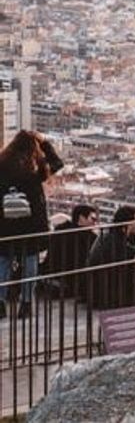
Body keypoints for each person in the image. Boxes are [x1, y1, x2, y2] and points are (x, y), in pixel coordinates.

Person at [0, 130, 65, 319]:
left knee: (3, 261)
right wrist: (44, 143)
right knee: (30, 262)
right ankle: (26, 303)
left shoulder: (1, 168)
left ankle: (1, 301)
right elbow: (57, 163)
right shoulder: (35, 172)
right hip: (32, 225)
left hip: (6, 223)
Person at [86, 205, 135, 309]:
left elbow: (134, 240)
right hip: (112, 295)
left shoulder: (109, 234)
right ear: (129, 223)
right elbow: (128, 275)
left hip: (96, 291)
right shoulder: (121, 246)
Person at [43, 203, 100, 298]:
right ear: (82, 218)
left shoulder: (60, 229)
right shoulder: (89, 237)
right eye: (93, 219)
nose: (95, 223)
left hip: (52, 274)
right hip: (72, 280)